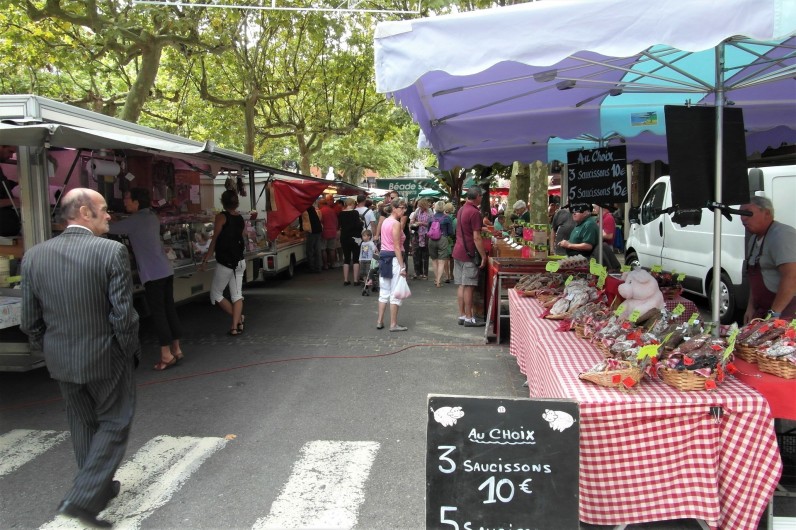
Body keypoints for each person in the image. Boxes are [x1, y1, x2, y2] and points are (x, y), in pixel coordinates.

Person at [21, 188, 140, 528]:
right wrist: (128, 350)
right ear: (85, 212)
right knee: (115, 421)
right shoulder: (111, 251)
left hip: (60, 358)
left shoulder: (34, 256)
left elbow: (30, 320)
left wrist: (50, 348)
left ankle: (96, 490)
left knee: (83, 423)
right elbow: (123, 315)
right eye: (104, 209)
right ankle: (82, 499)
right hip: (106, 356)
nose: (109, 215)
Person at [108, 188, 184, 370]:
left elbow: (109, 229)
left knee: (158, 313)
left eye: (127, 198)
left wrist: (103, 217)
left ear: (136, 202)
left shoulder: (136, 220)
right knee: (169, 309)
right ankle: (177, 349)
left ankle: (166, 355)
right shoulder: (151, 216)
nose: (125, 201)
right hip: (165, 270)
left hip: (153, 273)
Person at [742, 196, 796, 322]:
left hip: (787, 312)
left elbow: (792, 276)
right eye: (741, 214)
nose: (743, 218)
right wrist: (750, 307)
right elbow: (754, 279)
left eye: (748, 213)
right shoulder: (753, 240)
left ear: (766, 213)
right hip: (763, 310)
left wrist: (775, 313)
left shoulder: (782, 235)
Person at [202, 190, 246, 336]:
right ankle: (235, 326)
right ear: (236, 203)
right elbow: (243, 235)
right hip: (239, 261)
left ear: (223, 202)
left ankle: (238, 320)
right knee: (237, 295)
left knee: (216, 294)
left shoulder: (221, 217)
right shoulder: (240, 218)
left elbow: (214, 240)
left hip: (226, 262)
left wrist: (206, 259)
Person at [452, 187, 487, 327]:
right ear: (477, 196)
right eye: (481, 196)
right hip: (469, 254)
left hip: (458, 251)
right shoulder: (474, 212)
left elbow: (465, 228)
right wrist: (483, 256)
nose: (482, 198)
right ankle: (469, 317)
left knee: (461, 285)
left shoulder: (461, 209)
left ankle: (462, 315)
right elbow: (476, 237)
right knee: (469, 286)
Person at [377, 198, 409, 332]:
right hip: (394, 260)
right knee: (395, 292)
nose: (404, 210)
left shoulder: (385, 221)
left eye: (405, 208)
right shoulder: (396, 224)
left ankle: (380, 321)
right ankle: (393, 324)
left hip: (384, 258)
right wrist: (402, 266)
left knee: (384, 291)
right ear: (394, 208)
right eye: (401, 208)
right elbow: (396, 246)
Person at [428, 200, 454, 287]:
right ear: (444, 208)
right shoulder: (447, 218)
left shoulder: (431, 217)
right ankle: (439, 281)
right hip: (443, 239)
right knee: (441, 261)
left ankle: (436, 279)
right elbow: (450, 232)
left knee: (434, 260)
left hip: (431, 240)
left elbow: (428, 230)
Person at [338, 197, 363, 285]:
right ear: (352, 204)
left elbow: (340, 225)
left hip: (344, 238)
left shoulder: (341, 213)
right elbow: (357, 225)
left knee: (346, 259)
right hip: (355, 238)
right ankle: (355, 280)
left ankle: (346, 280)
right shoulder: (355, 212)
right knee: (356, 259)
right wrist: (362, 223)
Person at [409, 198, 433, 279]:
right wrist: (413, 222)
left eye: (421, 206)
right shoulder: (417, 210)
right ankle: (417, 272)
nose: (420, 208)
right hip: (417, 234)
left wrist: (421, 223)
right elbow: (412, 219)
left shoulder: (430, 212)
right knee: (416, 254)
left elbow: (431, 224)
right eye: (419, 206)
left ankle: (425, 274)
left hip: (426, 234)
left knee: (425, 255)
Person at [301, 200, 323, 273]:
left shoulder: (305, 211)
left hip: (311, 231)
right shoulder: (315, 209)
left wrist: (302, 230)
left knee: (310, 250)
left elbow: (304, 221)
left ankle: (311, 267)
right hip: (318, 230)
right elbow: (320, 218)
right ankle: (319, 267)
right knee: (317, 249)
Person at [319, 199, 338, 269]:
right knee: (332, 249)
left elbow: (320, 222)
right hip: (333, 231)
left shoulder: (320, 211)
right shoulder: (332, 210)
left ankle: (325, 265)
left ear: (321, 204)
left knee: (323, 249)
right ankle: (332, 264)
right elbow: (336, 221)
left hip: (324, 232)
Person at [359, 229, 378, 293]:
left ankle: (372, 283)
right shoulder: (362, 243)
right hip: (363, 260)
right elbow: (361, 252)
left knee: (368, 273)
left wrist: (375, 253)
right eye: (362, 236)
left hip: (369, 260)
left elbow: (374, 250)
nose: (363, 237)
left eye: (364, 236)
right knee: (363, 273)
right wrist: (360, 259)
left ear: (369, 236)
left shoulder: (371, 243)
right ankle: (366, 283)